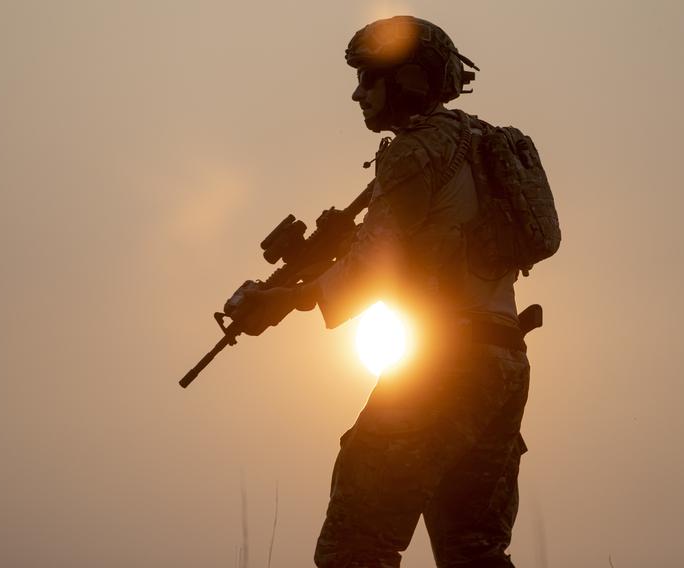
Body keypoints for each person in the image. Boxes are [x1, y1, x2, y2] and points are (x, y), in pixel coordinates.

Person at [230, 16, 546, 568]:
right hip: (506, 364)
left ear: (411, 82)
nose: (357, 93)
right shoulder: (487, 144)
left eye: (369, 78)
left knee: (355, 543)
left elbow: (373, 268)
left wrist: (279, 300)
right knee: (475, 550)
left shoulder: (411, 154)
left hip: (445, 366)